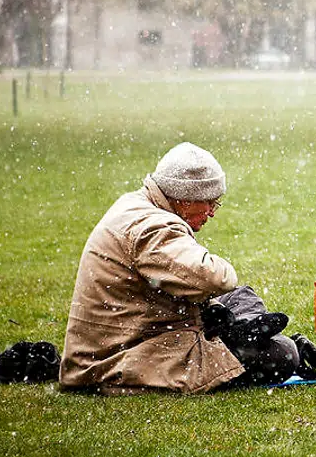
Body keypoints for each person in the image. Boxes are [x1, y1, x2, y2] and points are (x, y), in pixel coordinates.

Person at [59, 142, 300, 394]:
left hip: (139, 331)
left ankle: (239, 332)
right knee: (282, 353)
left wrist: (214, 307)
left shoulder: (136, 204)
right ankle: (241, 335)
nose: (211, 213)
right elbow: (216, 278)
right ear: (185, 199)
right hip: (117, 358)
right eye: (209, 203)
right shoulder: (153, 229)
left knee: (241, 296)